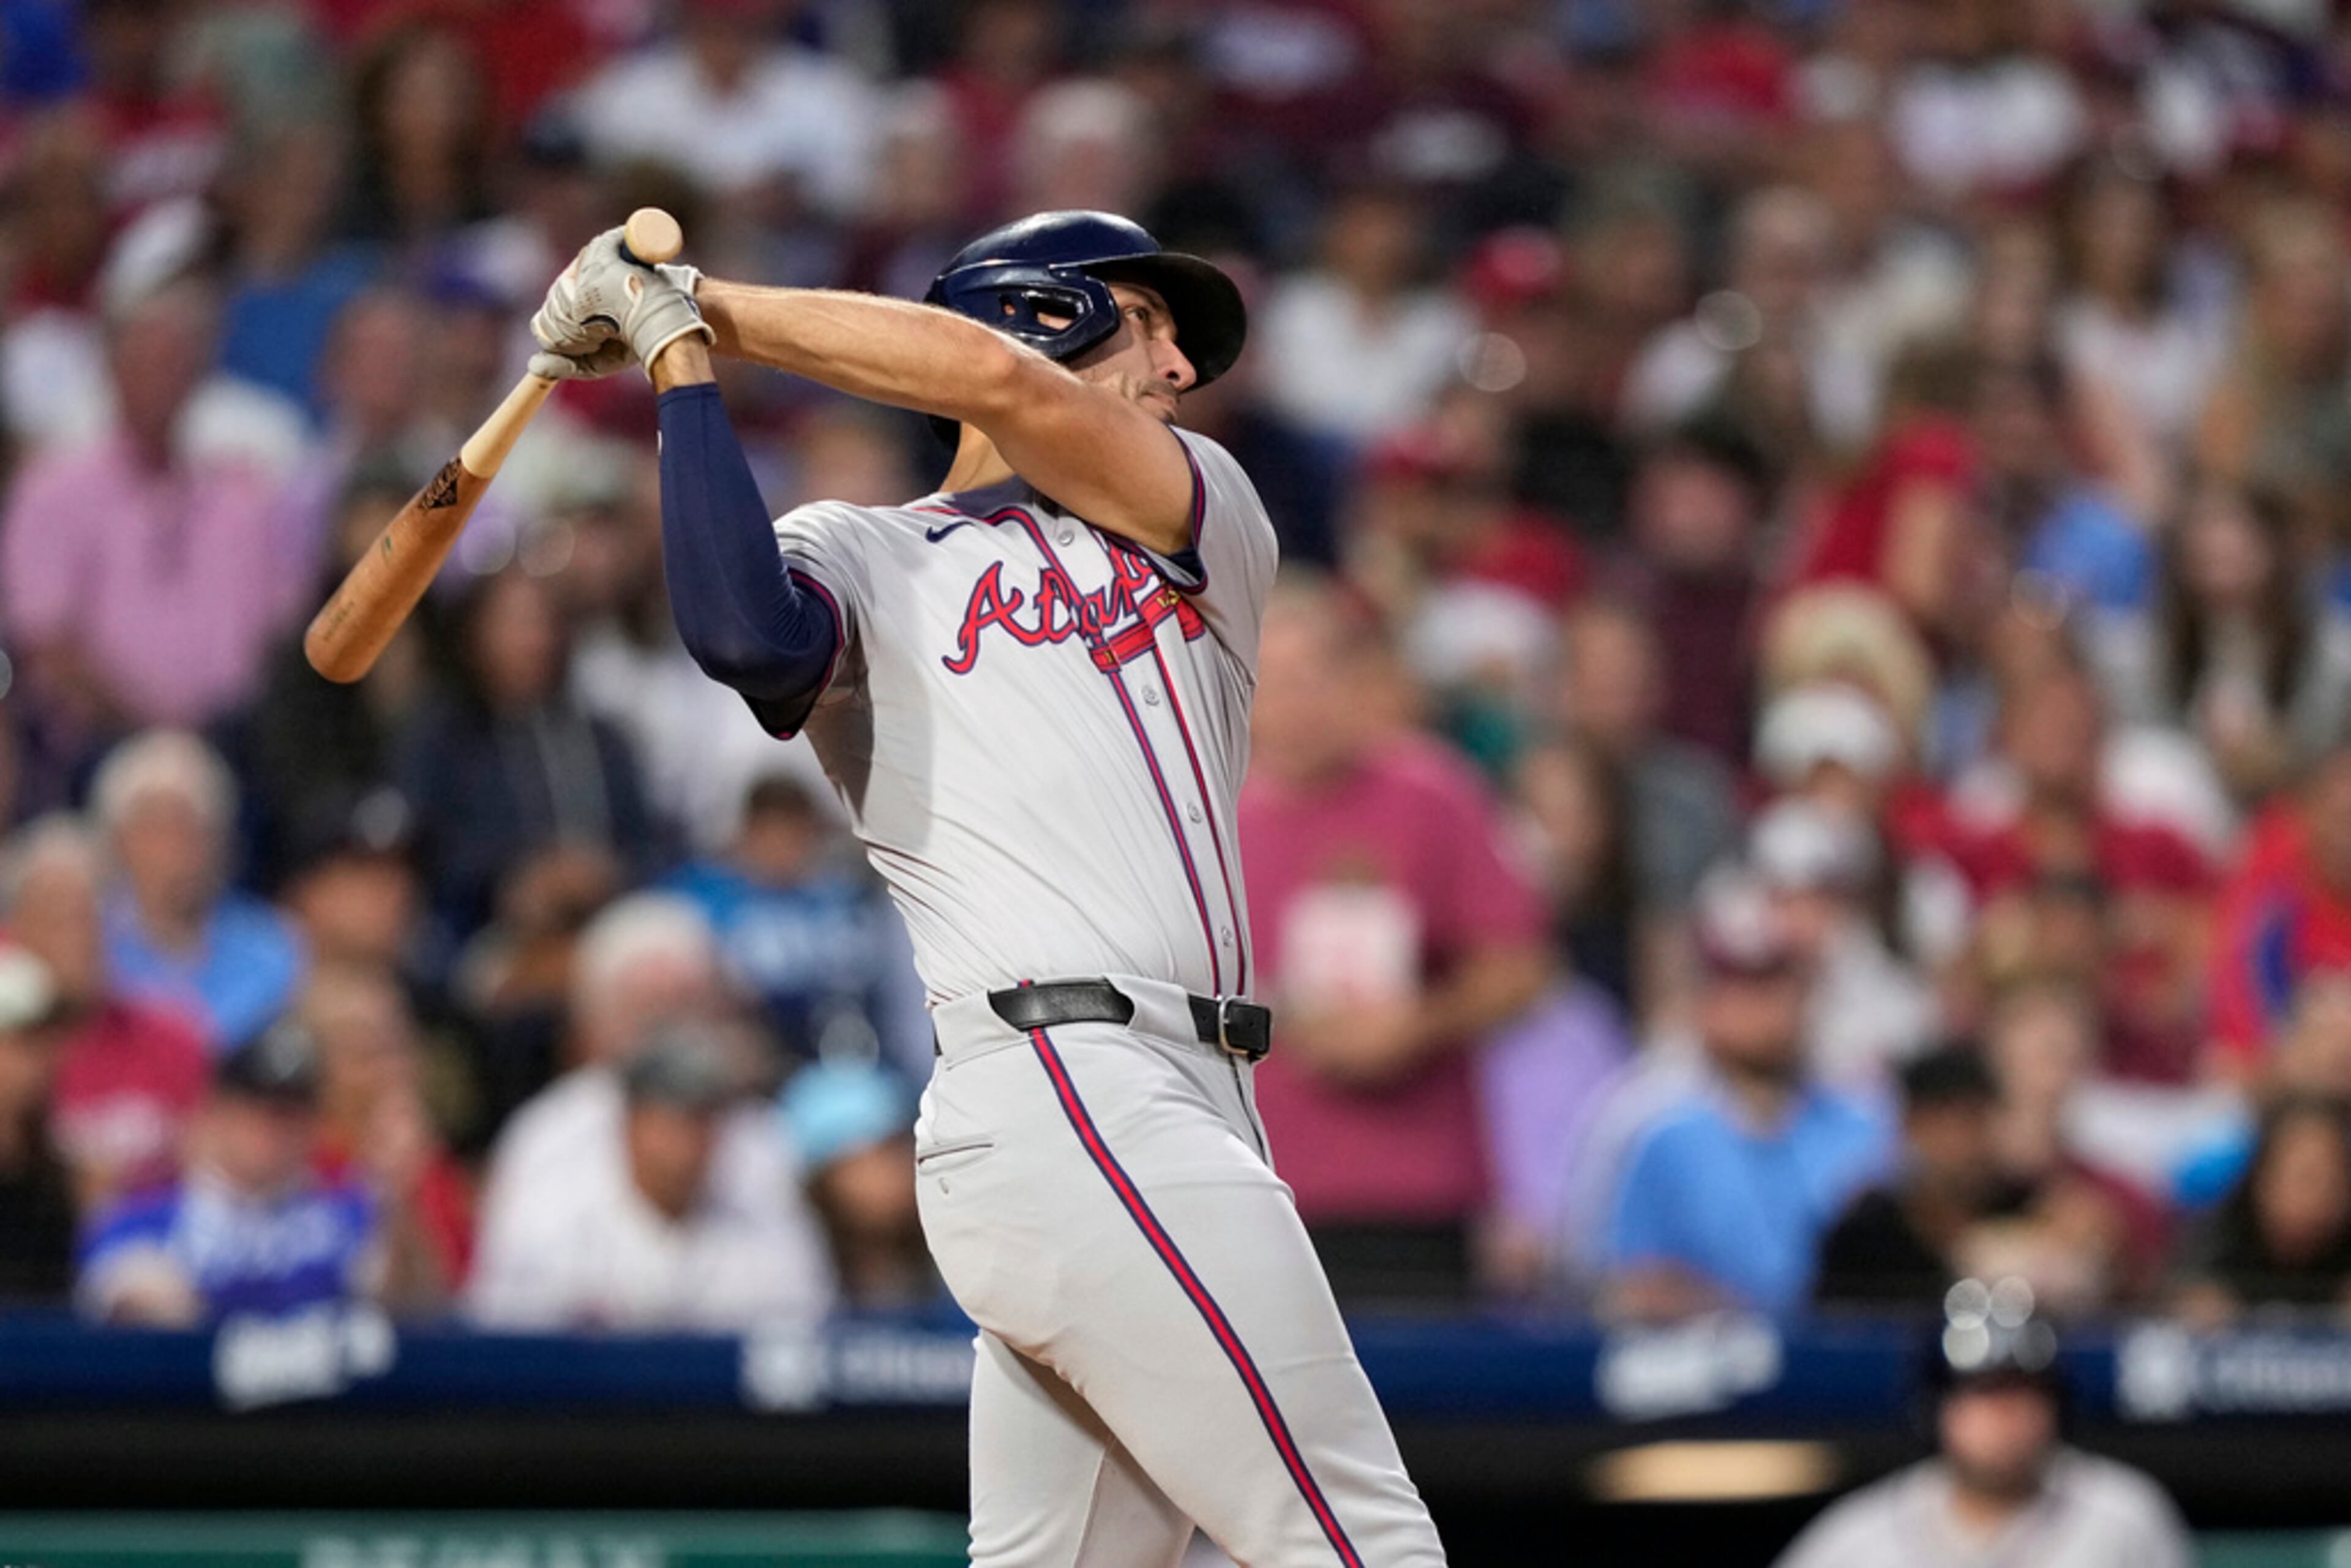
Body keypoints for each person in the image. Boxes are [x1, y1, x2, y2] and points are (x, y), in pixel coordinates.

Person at [525, 209, 1449, 1562]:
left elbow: (1001, 387)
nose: (1183, 368)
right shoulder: (865, 548)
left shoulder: (1199, 508)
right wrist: (678, 362)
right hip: (1069, 1082)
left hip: (1178, 1104)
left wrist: (692, 300)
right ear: (1049, 309)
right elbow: (742, 632)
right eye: (1151, 321)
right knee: (1360, 1538)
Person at [1240, 574, 1549, 1303]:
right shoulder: (1209, 819)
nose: (1295, 701)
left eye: (1314, 675)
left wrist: (1417, 1024)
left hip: (1415, 1197)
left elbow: (1523, 965)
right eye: (1274, 680)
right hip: (1259, 1193)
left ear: (1356, 681)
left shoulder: (1431, 794)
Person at [1599, 870, 1894, 1322]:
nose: (1754, 1008)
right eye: (1734, 983)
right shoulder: (1657, 1131)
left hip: (1850, 1369)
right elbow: (1627, 1287)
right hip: (1703, 1373)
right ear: (1705, 1001)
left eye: (1772, 983)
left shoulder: (1867, 1125)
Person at [1775, 1286, 2191, 1568]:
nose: (2007, 1415)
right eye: (1984, 1392)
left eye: (2026, 1392)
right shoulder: (1858, 1537)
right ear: (1937, 1409)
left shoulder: (2124, 1515)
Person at [468, 1022, 833, 1330]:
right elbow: (498, 1338)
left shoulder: (759, 1216)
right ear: (630, 1124)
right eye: (672, 1119)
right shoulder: (555, 1214)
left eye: (704, 1119)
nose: (690, 1141)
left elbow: (806, 1328)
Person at [75, 1023, 397, 1326]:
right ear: (216, 1111)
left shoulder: (347, 1212)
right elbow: (132, 1304)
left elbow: (412, 1300)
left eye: (293, 1109)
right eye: (256, 1104)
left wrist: (402, 1198)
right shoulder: (142, 1216)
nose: (274, 1124)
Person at [90, 730, 307, 1052]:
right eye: (157, 829)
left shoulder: (274, 948)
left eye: (195, 828)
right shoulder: (89, 946)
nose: (178, 850)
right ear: (117, 844)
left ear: (223, 844)